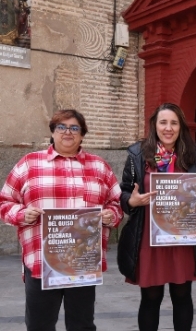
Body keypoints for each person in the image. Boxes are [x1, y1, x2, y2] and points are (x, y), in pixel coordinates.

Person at [0, 109, 122, 330]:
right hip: (41, 261)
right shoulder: (29, 163)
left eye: (75, 128)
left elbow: (116, 202)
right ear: (53, 132)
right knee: (40, 325)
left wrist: (110, 215)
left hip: (82, 262)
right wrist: (21, 214)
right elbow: (5, 201)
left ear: (83, 134)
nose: (68, 132)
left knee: (82, 325)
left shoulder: (100, 166)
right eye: (61, 127)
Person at [116, 103, 196, 331]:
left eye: (174, 123)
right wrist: (131, 201)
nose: (168, 128)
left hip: (182, 238)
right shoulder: (138, 155)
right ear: (155, 125)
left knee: (182, 296)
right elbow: (123, 192)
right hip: (149, 238)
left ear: (181, 127)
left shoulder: (193, 155)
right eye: (163, 122)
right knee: (150, 298)